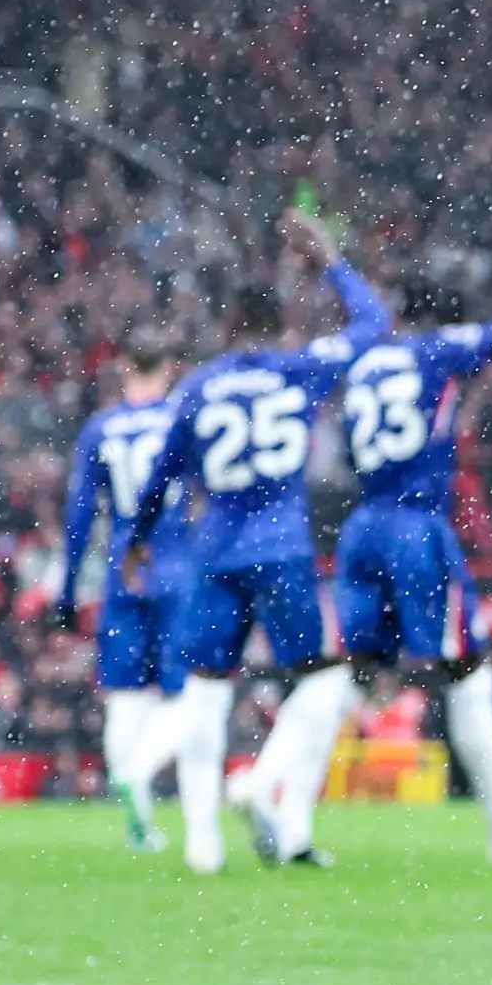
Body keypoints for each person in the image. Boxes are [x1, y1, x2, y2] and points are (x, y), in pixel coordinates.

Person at [309, 214, 492, 866]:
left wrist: (332, 260)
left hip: (362, 524)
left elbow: (367, 312)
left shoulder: (369, 352)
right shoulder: (442, 351)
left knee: (350, 672)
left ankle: (278, 800)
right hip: (414, 526)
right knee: (468, 673)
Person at [122, 210, 391, 876]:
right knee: (323, 682)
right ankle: (261, 782)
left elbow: (159, 477)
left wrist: (132, 540)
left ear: (228, 327)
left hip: (215, 553)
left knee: (207, 691)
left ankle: (201, 842)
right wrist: (332, 261)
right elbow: (375, 327)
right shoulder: (297, 368)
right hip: (281, 547)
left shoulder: (198, 386)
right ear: (276, 327)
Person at [54, 332, 191, 852]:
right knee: (187, 693)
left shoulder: (101, 428)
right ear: (170, 366)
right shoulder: (180, 417)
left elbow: (79, 514)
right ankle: (139, 772)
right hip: (176, 564)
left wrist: (67, 590)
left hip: (122, 572)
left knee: (125, 695)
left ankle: (138, 817)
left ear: (122, 366)